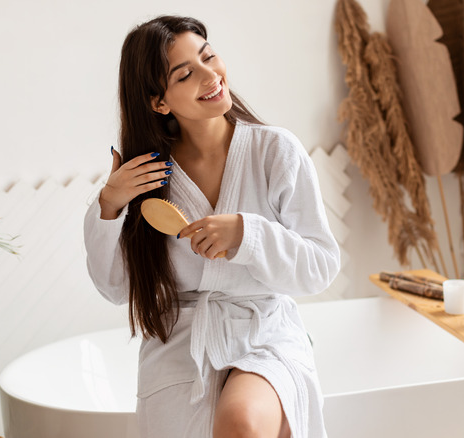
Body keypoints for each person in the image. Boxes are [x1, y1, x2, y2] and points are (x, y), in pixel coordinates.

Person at [83, 15, 340, 438]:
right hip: (180, 344)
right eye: (186, 74)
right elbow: (115, 289)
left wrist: (248, 235)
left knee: (240, 423)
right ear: (158, 102)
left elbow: (321, 267)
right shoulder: (148, 179)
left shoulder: (274, 151)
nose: (211, 76)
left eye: (209, 57)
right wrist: (109, 206)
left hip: (264, 332)